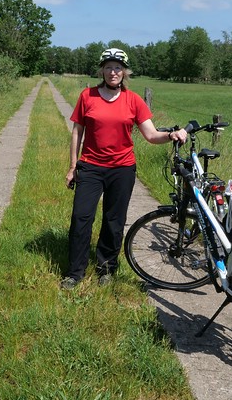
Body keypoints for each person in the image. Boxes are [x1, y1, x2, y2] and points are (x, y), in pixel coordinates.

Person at [61, 48, 188, 289]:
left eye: (118, 67)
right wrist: (72, 166)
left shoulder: (133, 100)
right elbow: (77, 131)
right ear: (102, 70)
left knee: (114, 220)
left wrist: (171, 135)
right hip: (90, 166)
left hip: (122, 169)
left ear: (125, 72)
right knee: (81, 218)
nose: (113, 72)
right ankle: (75, 272)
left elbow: (151, 135)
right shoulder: (88, 96)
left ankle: (106, 268)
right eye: (108, 67)